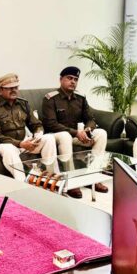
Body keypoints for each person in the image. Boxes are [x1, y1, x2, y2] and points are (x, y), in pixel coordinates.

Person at [41, 66, 109, 198]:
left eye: (76, 79)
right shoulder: (50, 98)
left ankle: (93, 177)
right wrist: (76, 132)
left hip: (76, 135)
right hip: (57, 135)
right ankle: (71, 182)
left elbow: (91, 119)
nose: (73, 81)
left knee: (101, 133)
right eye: (69, 78)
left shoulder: (80, 98)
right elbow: (51, 124)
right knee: (65, 136)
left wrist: (87, 130)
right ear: (61, 79)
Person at [0, 73, 57, 181]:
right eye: (9, 88)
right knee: (9, 149)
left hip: (24, 143)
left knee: (49, 138)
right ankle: (22, 182)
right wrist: (20, 144)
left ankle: (51, 178)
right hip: (5, 145)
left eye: (16, 87)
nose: (14, 90)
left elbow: (36, 124)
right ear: (0, 90)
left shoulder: (23, 104)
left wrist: (38, 135)